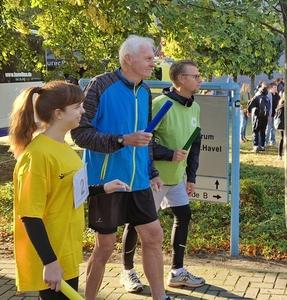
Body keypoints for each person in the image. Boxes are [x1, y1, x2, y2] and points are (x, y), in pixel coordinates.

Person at [71, 35, 169, 299]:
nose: (153, 62)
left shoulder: (146, 91)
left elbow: (145, 137)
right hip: (106, 183)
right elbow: (79, 134)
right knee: (104, 247)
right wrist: (121, 140)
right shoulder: (100, 85)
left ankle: (160, 297)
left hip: (138, 182)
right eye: (149, 58)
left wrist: (152, 171)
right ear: (129, 58)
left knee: (153, 237)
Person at [10, 82, 127, 299]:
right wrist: (50, 262)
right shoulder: (37, 156)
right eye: (77, 107)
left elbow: (68, 189)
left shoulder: (63, 147)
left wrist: (102, 188)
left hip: (67, 250)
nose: (83, 111)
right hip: (52, 257)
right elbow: (30, 215)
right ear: (58, 113)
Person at [121, 60, 205, 289]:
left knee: (184, 216)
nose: (200, 79)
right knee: (136, 223)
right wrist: (168, 155)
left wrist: (192, 176)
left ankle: (177, 272)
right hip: (153, 178)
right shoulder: (160, 104)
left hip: (177, 178)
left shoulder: (195, 107)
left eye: (199, 75)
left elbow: (194, 144)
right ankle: (127, 271)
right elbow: (143, 141)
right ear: (180, 80)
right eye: (195, 76)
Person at [247, 82, 270, 152]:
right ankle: (262, 146)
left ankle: (256, 146)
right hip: (265, 117)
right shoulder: (267, 98)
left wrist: (249, 111)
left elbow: (250, 104)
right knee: (263, 131)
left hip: (257, 116)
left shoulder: (257, 96)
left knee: (255, 130)